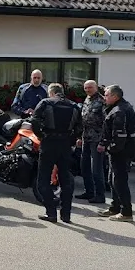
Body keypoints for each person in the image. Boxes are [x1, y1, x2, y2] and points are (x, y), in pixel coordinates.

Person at [31, 83, 82, 224]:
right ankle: (66, 215)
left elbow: (34, 120)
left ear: (51, 93)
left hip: (49, 143)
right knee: (66, 179)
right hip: (65, 144)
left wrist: (41, 136)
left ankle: (51, 212)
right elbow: (80, 127)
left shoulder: (46, 102)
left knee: (43, 180)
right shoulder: (74, 106)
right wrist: (71, 139)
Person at [98, 85, 135, 221]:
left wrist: (111, 148)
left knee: (119, 180)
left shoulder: (120, 110)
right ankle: (115, 207)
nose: (104, 97)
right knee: (112, 179)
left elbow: (119, 135)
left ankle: (126, 212)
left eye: (107, 95)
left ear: (115, 96)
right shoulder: (117, 107)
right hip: (120, 149)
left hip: (122, 150)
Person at [76, 80, 107, 203]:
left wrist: (103, 141)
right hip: (86, 137)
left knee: (96, 168)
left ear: (96, 87)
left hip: (97, 138)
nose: (88, 90)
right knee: (84, 166)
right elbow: (83, 119)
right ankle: (89, 192)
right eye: (86, 88)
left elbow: (106, 123)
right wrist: (79, 137)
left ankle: (100, 195)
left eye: (90, 87)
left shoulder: (102, 101)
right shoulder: (87, 99)